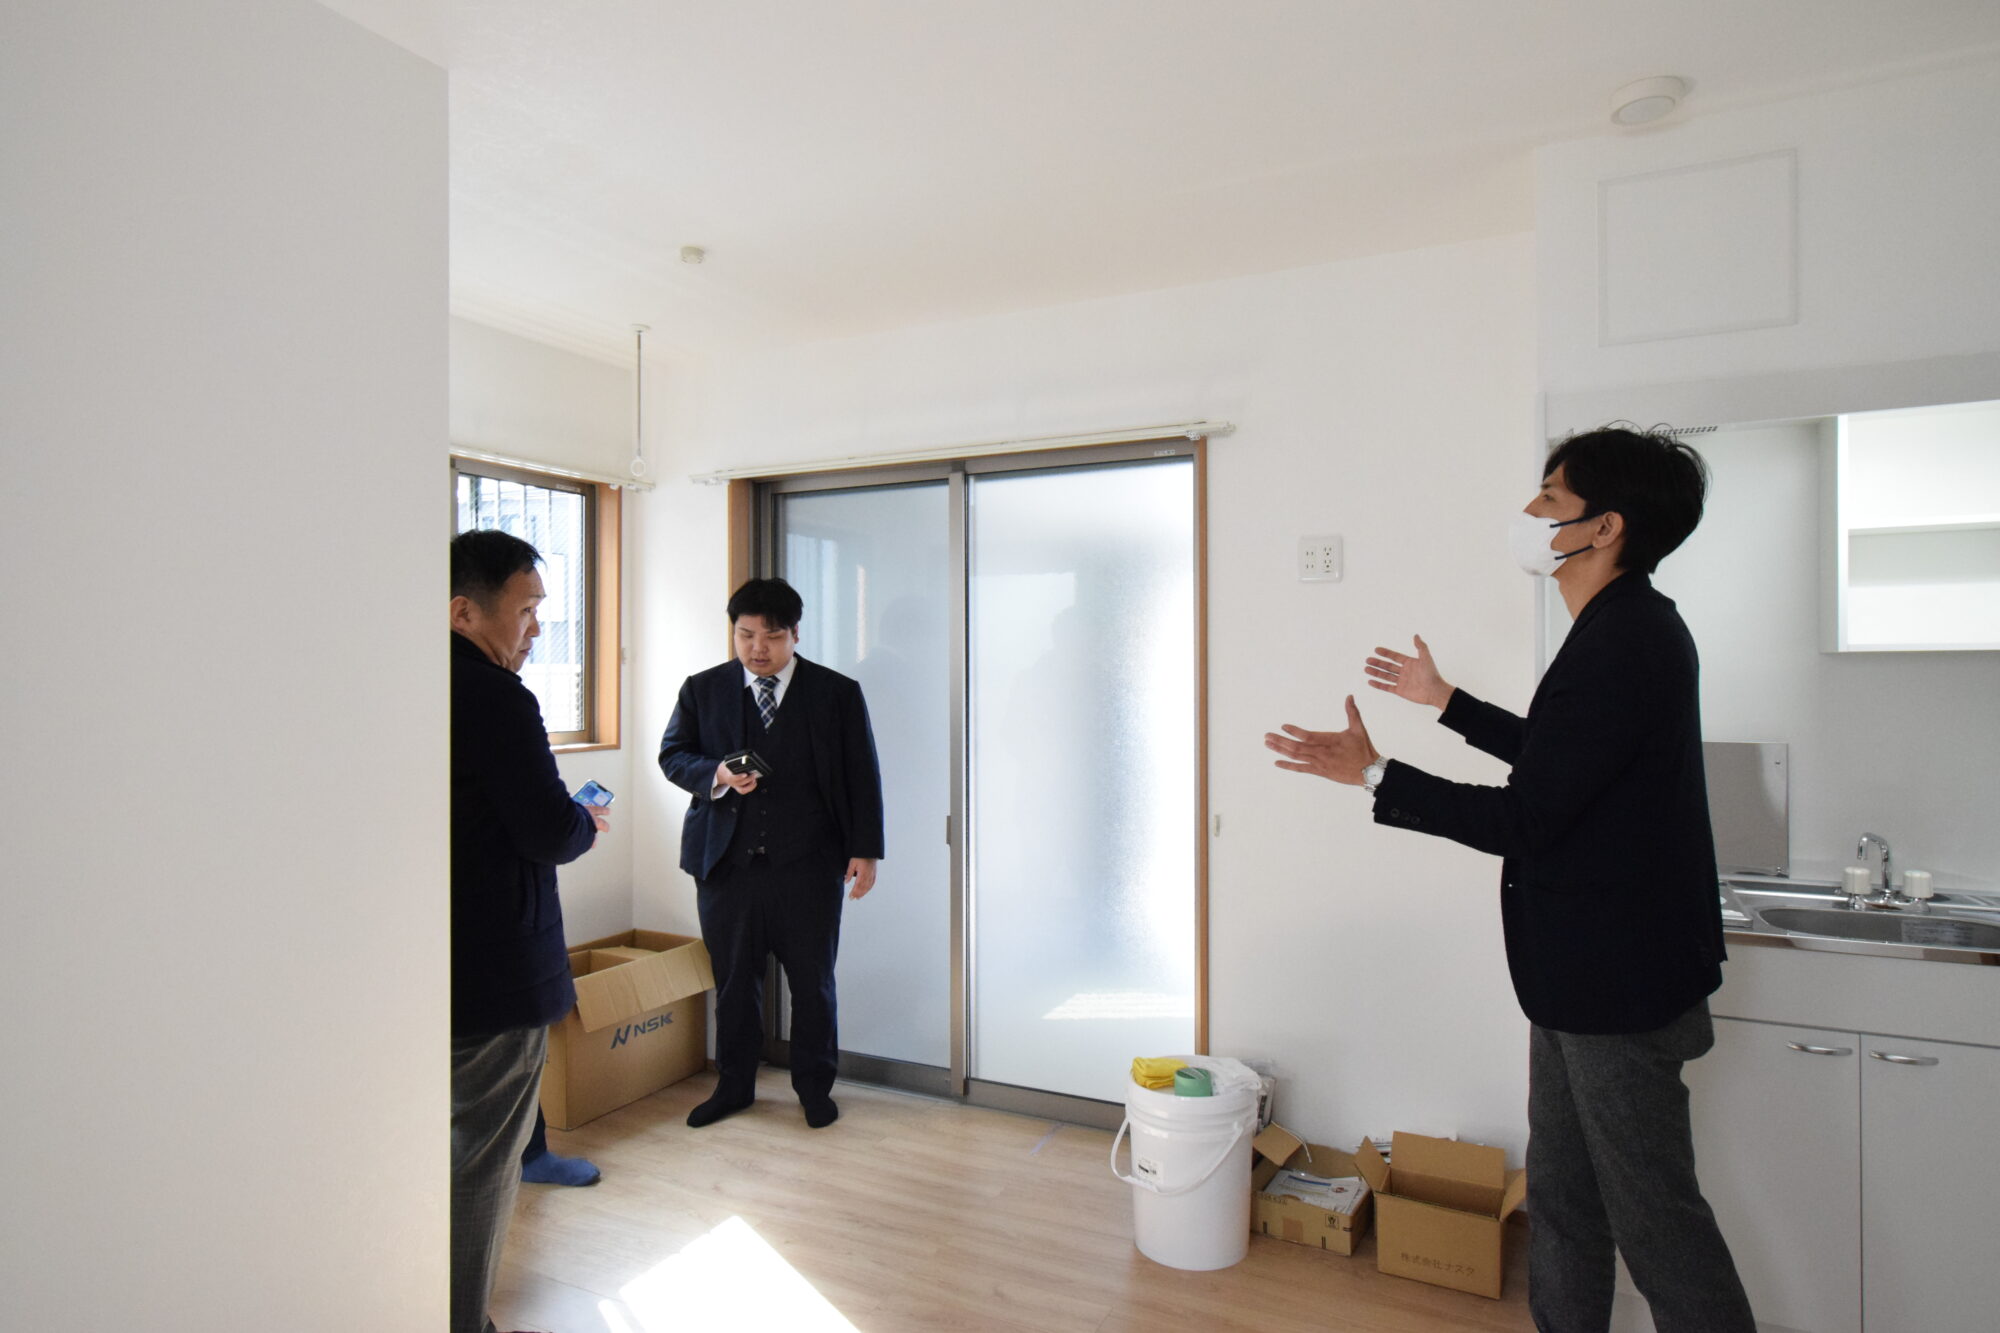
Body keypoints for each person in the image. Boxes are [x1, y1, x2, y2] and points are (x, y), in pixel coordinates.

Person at [1263, 426, 1756, 1333]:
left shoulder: (1627, 639)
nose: (1529, 512)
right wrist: (1445, 702)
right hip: (1576, 980)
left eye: (1550, 498)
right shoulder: (1620, 627)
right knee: (1563, 1202)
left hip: (1619, 990)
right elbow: (1560, 759)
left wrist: (1375, 774)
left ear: (1604, 526)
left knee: (1658, 1224)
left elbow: (1528, 817)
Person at [450, 530, 609, 1333]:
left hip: (421, 965)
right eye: (527, 610)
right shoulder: (495, 696)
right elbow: (548, 830)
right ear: (464, 612)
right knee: (481, 1161)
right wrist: (584, 820)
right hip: (493, 971)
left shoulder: (393, 681)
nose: (538, 627)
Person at [658, 577, 885, 1130]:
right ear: (733, 632)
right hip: (726, 866)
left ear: (795, 634)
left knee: (813, 983)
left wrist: (866, 851)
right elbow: (673, 755)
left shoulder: (835, 692)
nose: (758, 648)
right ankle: (734, 1087)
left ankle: (814, 1088)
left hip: (809, 867)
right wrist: (715, 773)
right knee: (734, 984)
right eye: (746, 634)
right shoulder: (702, 689)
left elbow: (862, 774)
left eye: (772, 636)